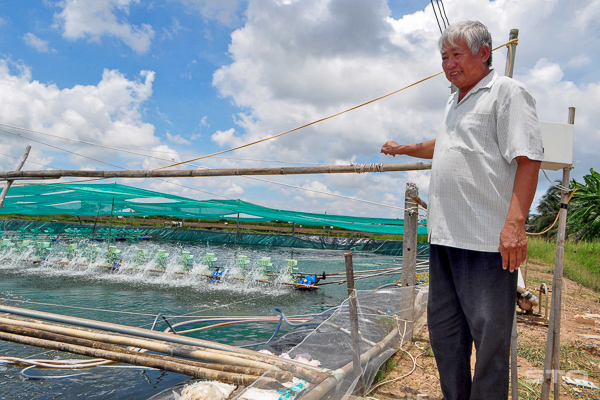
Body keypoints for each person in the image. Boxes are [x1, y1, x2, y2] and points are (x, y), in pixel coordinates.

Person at [381, 21, 543, 399]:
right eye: (444, 57)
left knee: (489, 342)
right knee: (445, 333)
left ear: (484, 53)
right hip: (445, 239)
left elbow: (529, 158)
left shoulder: (506, 92)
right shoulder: (454, 100)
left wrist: (515, 225)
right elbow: (444, 144)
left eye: (456, 55)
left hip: (486, 243)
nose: (449, 64)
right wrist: (405, 148)